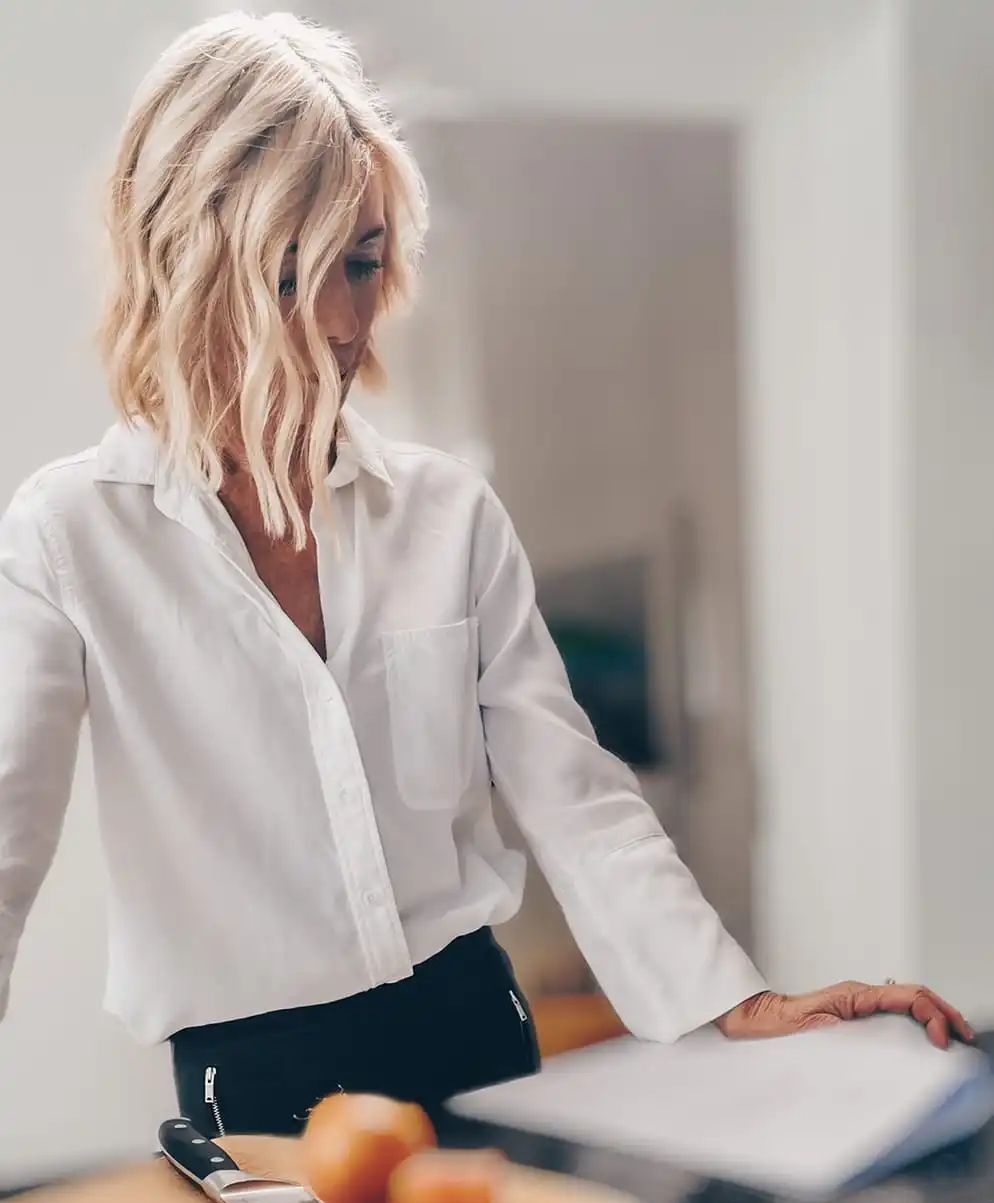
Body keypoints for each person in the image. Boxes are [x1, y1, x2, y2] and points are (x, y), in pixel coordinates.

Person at [0, 11, 972, 1139]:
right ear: (182, 264)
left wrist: (734, 1001)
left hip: (476, 1030)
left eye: (363, 264)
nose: (343, 320)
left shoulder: (445, 511)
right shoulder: (73, 533)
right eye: (291, 275)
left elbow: (575, 796)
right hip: (251, 1085)